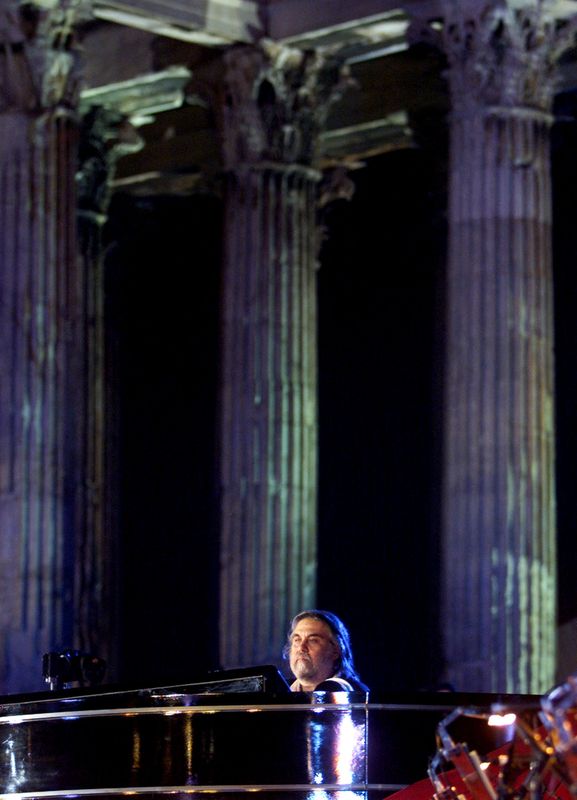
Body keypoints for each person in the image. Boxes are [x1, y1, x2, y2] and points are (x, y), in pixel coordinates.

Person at [283, 609, 369, 692]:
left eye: (313, 640)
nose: (301, 648)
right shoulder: (278, 693)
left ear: (336, 650)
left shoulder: (355, 695)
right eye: (297, 640)